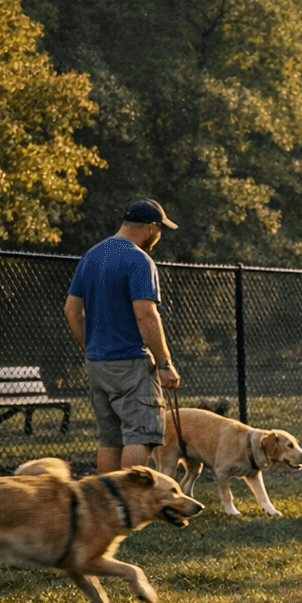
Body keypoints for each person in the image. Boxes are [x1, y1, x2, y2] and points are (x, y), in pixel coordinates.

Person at [63, 198, 182, 475]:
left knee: (109, 437)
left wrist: (87, 346)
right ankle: (130, 502)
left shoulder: (91, 256)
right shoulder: (140, 260)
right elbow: (146, 315)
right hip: (130, 362)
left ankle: (105, 507)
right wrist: (165, 363)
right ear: (152, 228)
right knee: (140, 434)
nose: (159, 236)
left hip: (97, 364)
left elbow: (71, 310)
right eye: (161, 230)